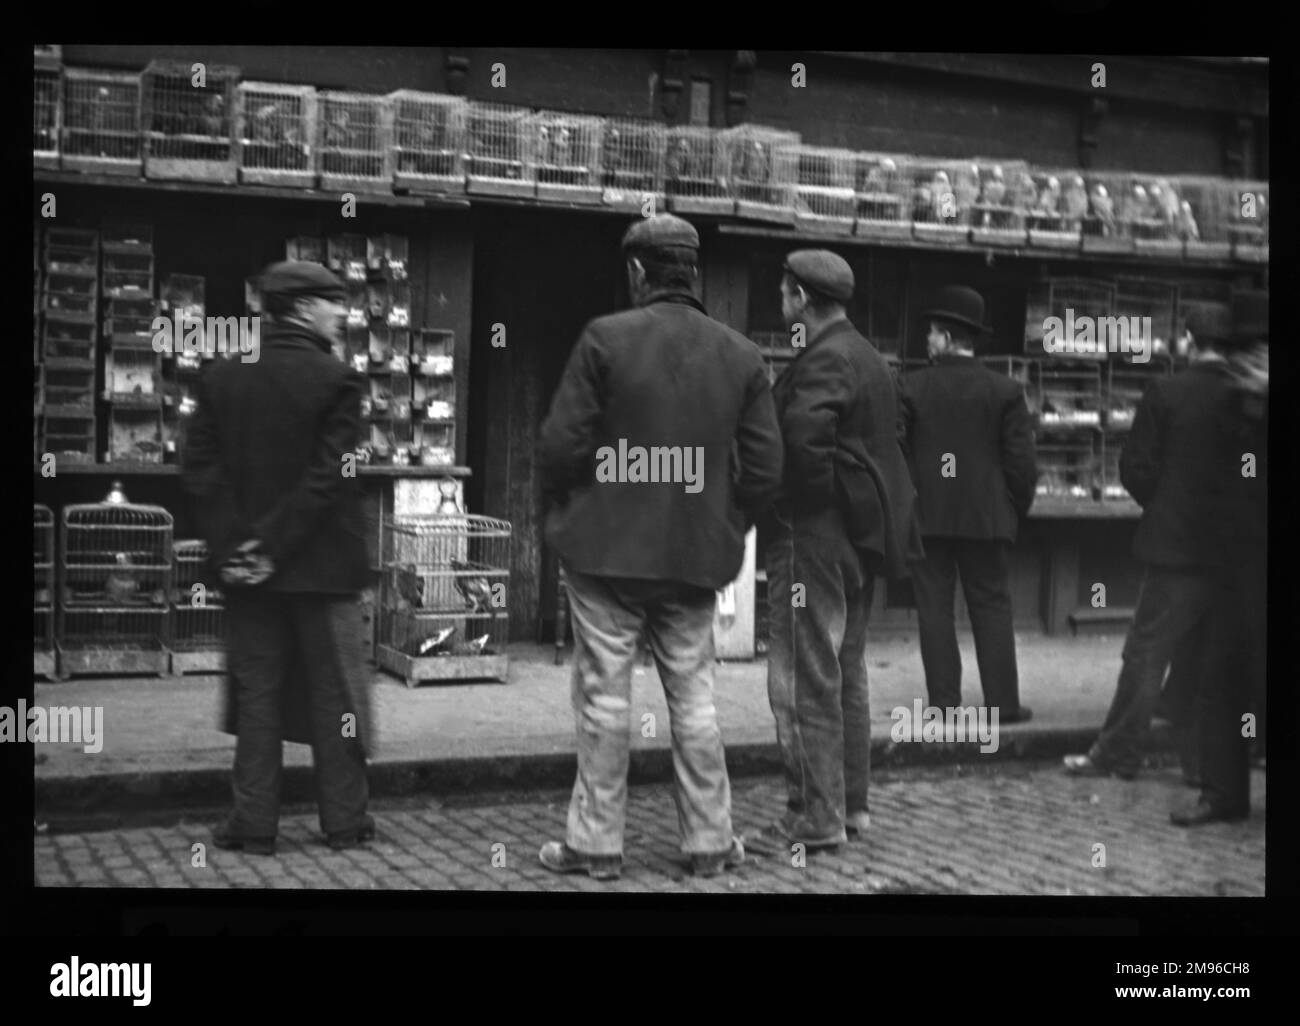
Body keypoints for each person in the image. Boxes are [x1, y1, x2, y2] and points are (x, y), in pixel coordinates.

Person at [536, 213, 783, 880]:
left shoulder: (605, 339)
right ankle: (708, 842)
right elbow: (765, 471)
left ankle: (595, 845)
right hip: (695, 558)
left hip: (604, 554)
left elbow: (559, 446)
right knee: (697, 703)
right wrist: (726, 525)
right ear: (694, 273)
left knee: (605, 703)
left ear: (638, 272)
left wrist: (570, 507)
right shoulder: (742, 355)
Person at [184, 260, 375, 855]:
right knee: (334, 698)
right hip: (322, 571)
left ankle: (253, 822)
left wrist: (239, 544)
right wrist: (273, 543)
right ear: (299, 309)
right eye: (332, 301)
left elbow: (200, 473)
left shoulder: (220, 377)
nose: (343, 313)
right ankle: (345, 821)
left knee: (256, 696)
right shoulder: (339, 380)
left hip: (246, 574)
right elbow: (330, 480)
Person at [746, 250, 923, 857]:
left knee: (803, 677)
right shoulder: (869, 356)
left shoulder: (822, 359)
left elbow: (802, 443)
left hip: (814, 539)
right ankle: (852, 808)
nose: (780, 298)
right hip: (862, 539)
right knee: (845, 673)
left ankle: (813, 817)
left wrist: (792, 510)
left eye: (784, 290)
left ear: (801, 297)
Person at [1064, 306, 1242, 781]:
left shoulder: (1167, 392)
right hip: (1231, 554)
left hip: (1174, 549)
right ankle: (1204, 767)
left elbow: (1136, 470)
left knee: (1145, 655)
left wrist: (1164, 504)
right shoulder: (1244, 399)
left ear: (1189, 341)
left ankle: (1118, 753)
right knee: (1207, 661)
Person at [898, 286, 1037, 722]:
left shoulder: (911, 386)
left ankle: (943, 704)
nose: (927, 342)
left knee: (934, 610)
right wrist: (1012, 509)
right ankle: (1004, 704)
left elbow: (897, 456)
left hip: (929, 517)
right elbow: (1022, 466)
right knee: (992, 607)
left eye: (931, 334)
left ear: (943, 337)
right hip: (986, 518)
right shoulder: (1006, 391)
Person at [1172, 289, 1267, 825]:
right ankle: (1223, 794)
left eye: (1260, 351)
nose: (1249, 363)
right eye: (1242, 352)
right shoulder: (1229, 407)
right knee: (1222, 681)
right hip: (1234, 569)